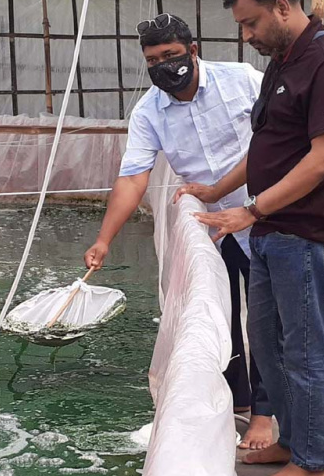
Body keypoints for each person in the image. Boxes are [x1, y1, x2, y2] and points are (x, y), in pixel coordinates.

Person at [181, 0, 324, 476]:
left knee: (303, 352)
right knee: (266, 344)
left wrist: (252, 209)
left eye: (250, 23)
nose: (246, 36)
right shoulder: (282, 62)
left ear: (283, 6)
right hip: (269, 232)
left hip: (305, 234)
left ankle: (312, 463)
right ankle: (290, 441)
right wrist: (216, 192)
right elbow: (265, 145)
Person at [83, 13, 274, 450]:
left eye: (171, 55)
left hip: (262, 213)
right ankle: (236, 398)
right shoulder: (150, 111)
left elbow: (280, 133)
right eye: (153, 60)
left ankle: (264, 414)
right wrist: (104, 238)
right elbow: (134, 177)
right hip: (211, 226)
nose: (164, 66)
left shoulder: (242, 80)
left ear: (193, 50)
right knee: (216, 315)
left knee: (265, 318)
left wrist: (258, 205)